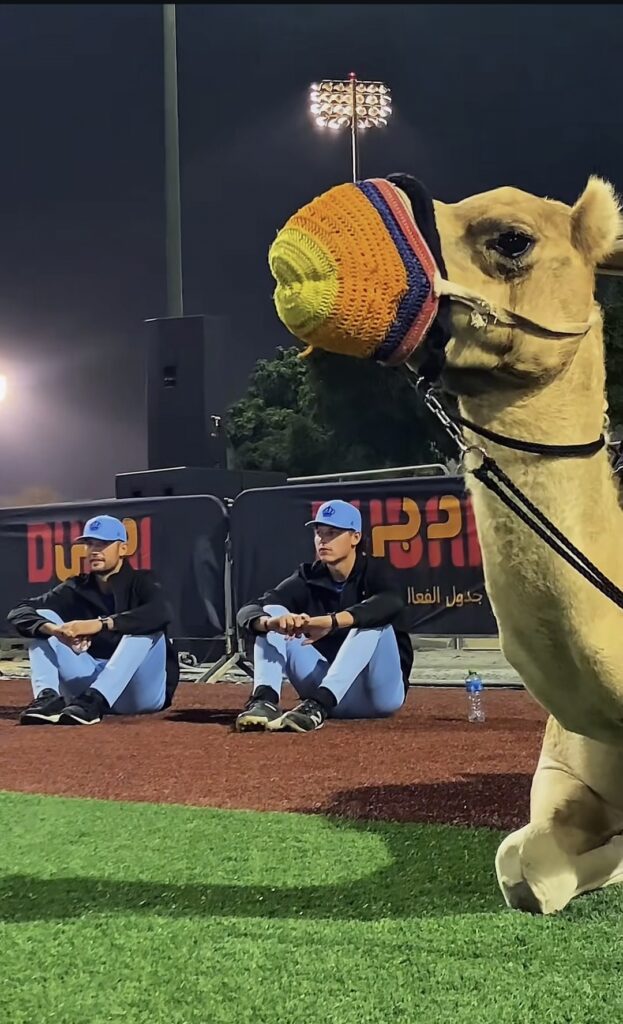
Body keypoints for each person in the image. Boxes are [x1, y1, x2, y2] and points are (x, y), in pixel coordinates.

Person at [235, 499, 413, 733]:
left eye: (332, 533)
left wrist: (332, 622)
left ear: (355, 538)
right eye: (319, 533)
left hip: (377, 696)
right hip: (323, 689)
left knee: (374, 622)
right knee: (273, 612)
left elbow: (392, 602)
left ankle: (319, 705)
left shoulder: (376, 571)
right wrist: (269, 623)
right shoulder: (308, 576)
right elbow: (248, 611)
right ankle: (264, 701)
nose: (323, 540)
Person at [8, 514, 179, 726]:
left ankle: (96, 699)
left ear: (123, 549)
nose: (94, 551)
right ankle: (48, 698)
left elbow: (162, 613)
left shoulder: (142, 581)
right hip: (85, 689)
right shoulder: (77, 586)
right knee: (43, 618)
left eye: (104, 544)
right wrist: (55, 631)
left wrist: (100, 624)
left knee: (147, 628)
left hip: (136, 694)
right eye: (89, 544)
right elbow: (19, 611)